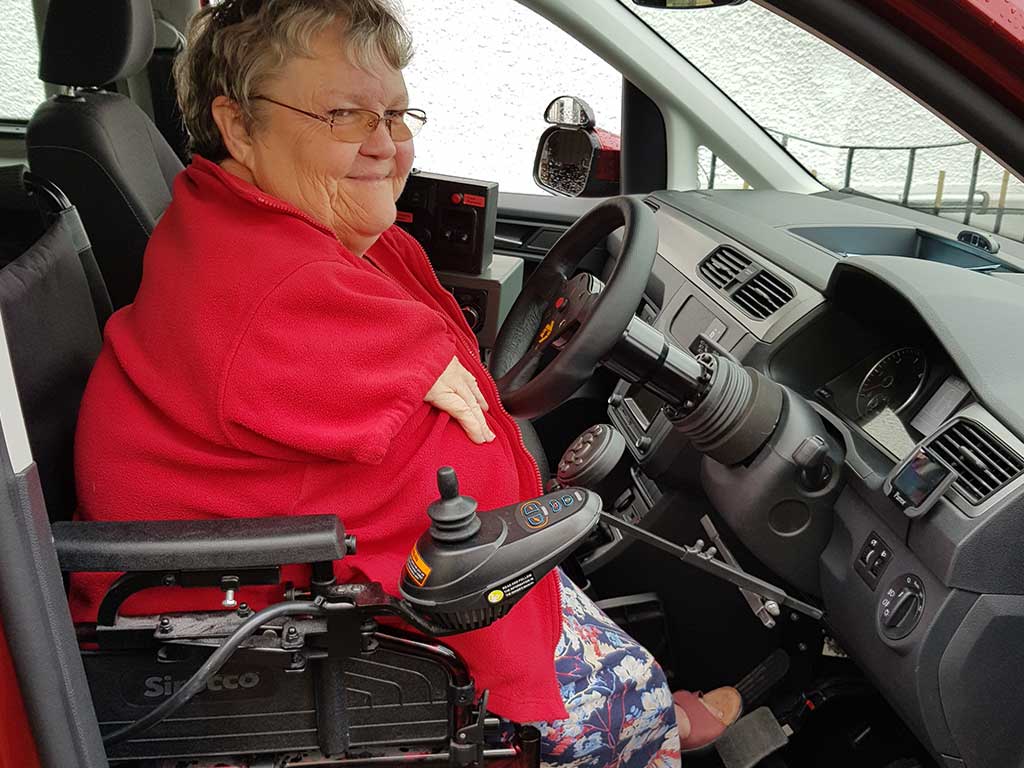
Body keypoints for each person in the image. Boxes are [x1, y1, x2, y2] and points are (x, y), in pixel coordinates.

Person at [71, 0, 740, 763]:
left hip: (257, 576)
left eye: (395, 112)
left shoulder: (239, 224)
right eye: (345, 115)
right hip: (255, 646)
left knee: (573, 603)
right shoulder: (278, 291)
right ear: (237, 124)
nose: (386, 145)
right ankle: (655, 728)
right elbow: (466, 524)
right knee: (632, 710)